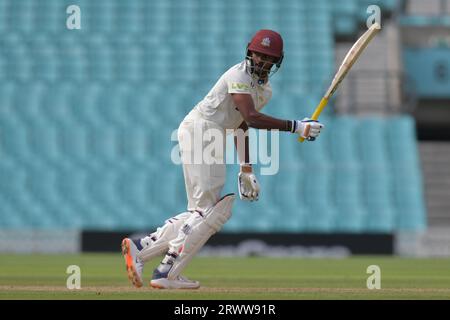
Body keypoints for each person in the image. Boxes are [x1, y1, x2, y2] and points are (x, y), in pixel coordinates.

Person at [121, 29, 324, 289]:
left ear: (277, 61)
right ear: (249, 52)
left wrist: (246, 168)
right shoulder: (237, 75)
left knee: (198, 212)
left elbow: (241, 124)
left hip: (210, 135)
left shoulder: (264, 90)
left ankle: (143, 248)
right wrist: (297, 126)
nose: (261, 61)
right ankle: (166, 271)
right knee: (212, 212)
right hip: (202, 131)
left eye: (268, 57)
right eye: (258, 54)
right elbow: (251, 117)